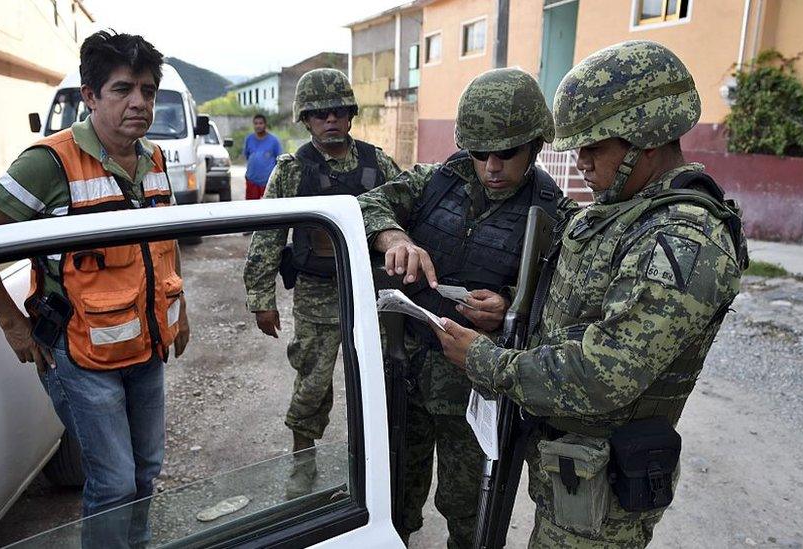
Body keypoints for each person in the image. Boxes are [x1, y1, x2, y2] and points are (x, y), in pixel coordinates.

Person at [434, 40, 748, 547]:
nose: (579, 161)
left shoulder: (682, 240)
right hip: (571, 470)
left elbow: (603, 375)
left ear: (645, 139)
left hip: (604, 498)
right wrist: (509, 311)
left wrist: (486, 361)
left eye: (593, 147)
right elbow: (576, 309)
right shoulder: (621, 214)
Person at [0, 30, 190, 547]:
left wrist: (180, 306)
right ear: (90, 95)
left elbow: (161, 246)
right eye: (122, 89)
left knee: (146, 471)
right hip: (79, 356)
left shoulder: (153, 160)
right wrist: (11, 320)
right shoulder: (49, 162)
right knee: (115, 481)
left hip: (145, 347)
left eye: (147, 91)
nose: (139, 103)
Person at [358, 68, 565, 547]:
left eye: (506, 153)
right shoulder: (436, 181)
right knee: (390, 501)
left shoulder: (553, 214)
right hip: (405, 374)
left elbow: (564, 301)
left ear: (536, 145)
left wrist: (511, 307)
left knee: (469, 515)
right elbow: (368, 205)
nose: (491, 165)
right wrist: (396, 238)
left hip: (474, 394)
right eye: (479, 153)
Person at [242, 68, 401, 500]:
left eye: (337, 112)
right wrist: (261, 296)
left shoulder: (378, 163)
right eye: (318, 114)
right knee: (312, 383)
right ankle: (303, 462)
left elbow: (410, 214)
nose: (329, 120)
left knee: (380, 384)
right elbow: (268, 234)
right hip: (316, 296)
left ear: (349, 115)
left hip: (371, 294)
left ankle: (376, 468)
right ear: (305, 120)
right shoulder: (293, 171)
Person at [243, 113, 283, 200]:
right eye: (256, 123)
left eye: (260, 123)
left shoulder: (273, 140)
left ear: (265, 124)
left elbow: (279, 160)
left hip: (268, 182)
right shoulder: (249, 139)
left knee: (269, 209)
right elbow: (247, 156)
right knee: (252, 208)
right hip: (252, 180)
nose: (258, 126)